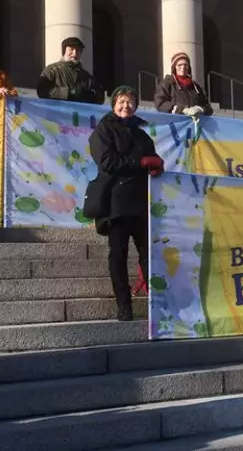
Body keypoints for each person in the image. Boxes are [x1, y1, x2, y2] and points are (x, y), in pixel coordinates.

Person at [89, 85, 164, 321]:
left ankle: (157, 305)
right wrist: (139, 162)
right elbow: (106, 161)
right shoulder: (104, 129)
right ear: (114, 105)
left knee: (148, 254)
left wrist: (157, 164)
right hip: (116, 202)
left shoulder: (142, 134)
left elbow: (151, 157)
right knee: (118, 254)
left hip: (141, 201)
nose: (126, 106)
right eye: (121, 101)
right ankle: (124, 305)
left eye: (130, 101)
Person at [37, 36, 105, 104]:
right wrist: (69, 92)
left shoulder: (86, 76)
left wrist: (89, 95)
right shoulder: (52, 70)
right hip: (58, 110)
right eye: (71, 49)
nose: (75, 53)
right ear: (64, 51)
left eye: (78, 50)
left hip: (79, 110)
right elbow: (42, 91)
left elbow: (100, 97)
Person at [154, 52, 213, 116]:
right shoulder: (167, 84)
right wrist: (181, 110)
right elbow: (160, 103)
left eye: (186, 65)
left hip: (194, 121)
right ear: (174, 67)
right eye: (179, 65)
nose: (183, 67)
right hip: (175, 121)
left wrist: (200, 109)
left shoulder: (196, 87)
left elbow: (208, 108)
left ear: (189, 67)